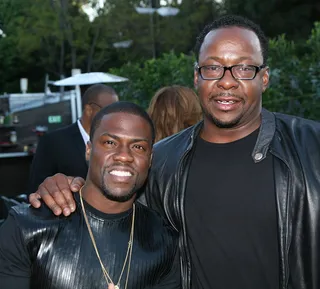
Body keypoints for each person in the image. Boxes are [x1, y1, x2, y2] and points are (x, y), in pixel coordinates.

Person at [28, 15, 320, 289]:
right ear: (196, 77)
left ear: (264, 77)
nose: (227, 81)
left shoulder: (311, 147)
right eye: (213, 67)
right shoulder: (161, 162)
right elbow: (109, 217)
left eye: (244, 68)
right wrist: (65, 188)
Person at [0, 101, 180, 289]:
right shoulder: (26, 228)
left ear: (150, 159)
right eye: (110, 142)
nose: (124, 156)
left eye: (138, 147)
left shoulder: (164, 241)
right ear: (89, 149)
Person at [27, 84, 119, 194]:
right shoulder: (53, 142)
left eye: (117, 111)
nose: (114, 116)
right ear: (89, 109)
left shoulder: (117, 143)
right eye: (108, 111)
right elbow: (36, 188)